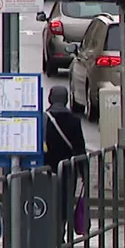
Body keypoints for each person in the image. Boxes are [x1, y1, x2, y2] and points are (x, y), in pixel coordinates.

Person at [43, 86, 88, 237]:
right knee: (65, 201)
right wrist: (84, 174)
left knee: (47, 200)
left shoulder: (43, 119)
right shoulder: (74, 121)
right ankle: (61, 231)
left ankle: (48, 230)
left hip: (46, 170)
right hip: (69, 170)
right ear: (66, 99)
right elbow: (80, 148)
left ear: (50, 98)